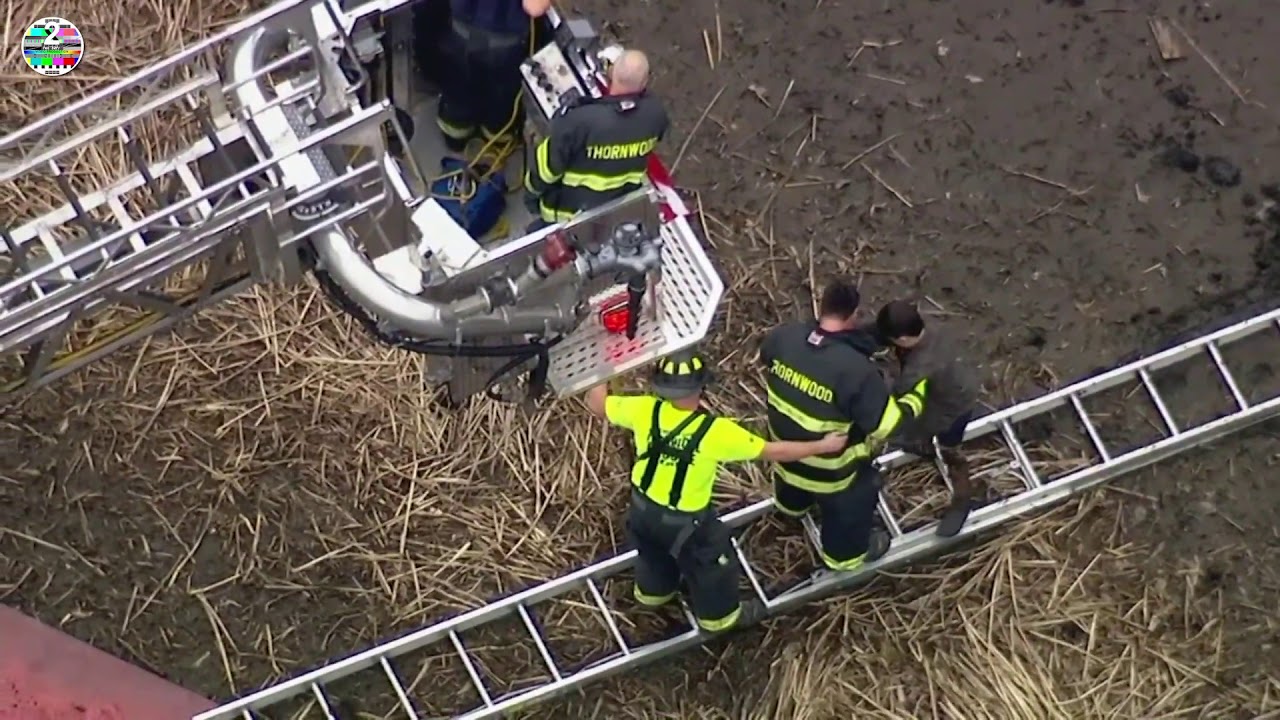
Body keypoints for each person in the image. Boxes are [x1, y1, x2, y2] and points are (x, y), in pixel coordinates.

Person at [584, 350, 847, 633]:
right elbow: (775, 451)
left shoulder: (644, 410)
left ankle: (653, 594)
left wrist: (602, 363)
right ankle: (719, 619)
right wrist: (822, 447)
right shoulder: (715, 433)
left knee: (652, 555)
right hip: (687, 524)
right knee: (712, 567)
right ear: (700, 387)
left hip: (641, 510)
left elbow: (597, 404)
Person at [759, 281, 922, 572]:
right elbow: (886, 427)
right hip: (830, 473)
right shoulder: (857, 372)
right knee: (858, 493)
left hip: (784, 453)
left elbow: (781, 356)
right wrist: (916, 396)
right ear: (853, 315)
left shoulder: (784, 338)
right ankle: (843, 556)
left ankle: (792, 507)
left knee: (793, 482)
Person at [523, 49, 669, 228]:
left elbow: (545, 170)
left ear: (612, 73)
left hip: (566, 217)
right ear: (645, 81)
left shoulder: (577, 121)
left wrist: (530, 197)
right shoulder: (656, 116)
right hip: (615, 213)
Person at [875, 300, 983, 537]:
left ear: (902, 339)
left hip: (952, 406)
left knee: (947, 446)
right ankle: (923, 443)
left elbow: (898, 391)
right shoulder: (928, 326)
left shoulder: (921, 364)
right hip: (956, 380)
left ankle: (962, 496)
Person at [435, 0, 553, 153]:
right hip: (504, 40)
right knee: (500, 99)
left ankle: (455, 138)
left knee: (458, 88)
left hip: (461, 27)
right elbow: (535, 7)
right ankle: (496, 142)